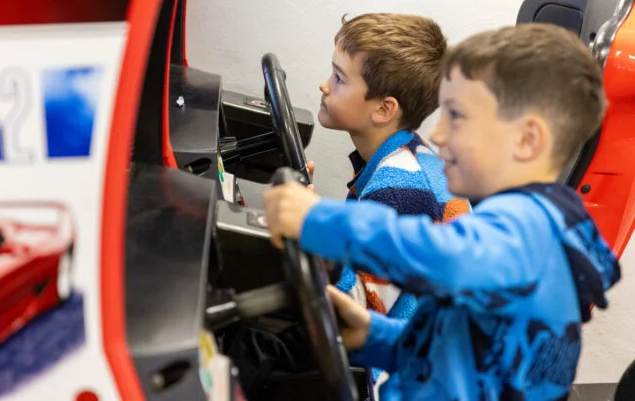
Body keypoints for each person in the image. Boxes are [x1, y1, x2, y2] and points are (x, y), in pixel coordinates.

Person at [264, 23, 621, 400]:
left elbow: (439, 254)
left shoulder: (527, 232)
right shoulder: (528, 230)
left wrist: (317, 219)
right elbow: (460, 351)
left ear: (527, 140)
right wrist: (375, 336)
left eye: (458, 117)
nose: (437, 136)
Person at [312, 14, 469, 374]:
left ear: (384, 109)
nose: (324, 85)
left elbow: (355, 314)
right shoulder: (407, 160)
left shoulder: (402, 188)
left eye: (338, 78)